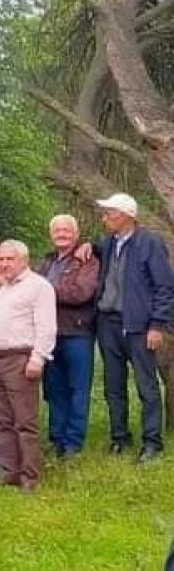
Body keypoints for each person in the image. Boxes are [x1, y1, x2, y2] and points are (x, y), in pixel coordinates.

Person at [91, 193, 174, 460]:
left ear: (127, 215)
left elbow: (164, 287)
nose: (105, 218)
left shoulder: (150, 243)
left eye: (110, 213)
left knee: (146, 385)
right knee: (113, 386)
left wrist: (157, 324)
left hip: (139, 326)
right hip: (108, 323)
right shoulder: (107, 243)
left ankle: (152, 443)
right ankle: (120, 438)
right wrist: (87, 247)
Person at [0, 240, 56, 491]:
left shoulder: (38, 287)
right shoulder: (2, 287)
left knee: (25, 422)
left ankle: (30, 476)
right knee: (3, 421)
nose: (3, 263)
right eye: (0, 259)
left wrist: (38, 358)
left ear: (24, 259)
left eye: (8, 259)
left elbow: (46, 327)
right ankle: (9, 471)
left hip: (20, 359)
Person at [39, 215, 100, 458]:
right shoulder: (47, 261)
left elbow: (81, 292)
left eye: (66, 230)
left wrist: (43, 290)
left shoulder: (87, 260)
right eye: (57, 230)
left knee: (78, 389)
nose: (61, 234)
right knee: (54, 389)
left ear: (76, 233)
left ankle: (73, 442)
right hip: (50, 334)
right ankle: (57, 438)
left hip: (77, 333)